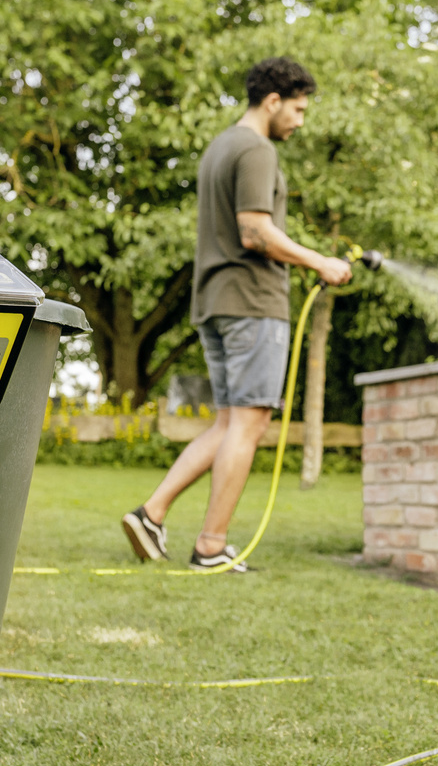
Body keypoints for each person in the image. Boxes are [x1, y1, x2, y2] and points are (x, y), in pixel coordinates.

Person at [121, 57, 352, 572]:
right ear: (273, 101)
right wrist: (321, 262)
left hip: (217, 302)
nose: (300, 120)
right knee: (249, 424)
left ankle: (152, 513)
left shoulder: (220, 146)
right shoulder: (256, 149)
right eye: (298, 109)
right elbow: (254, 230)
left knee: (229, 423)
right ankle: (210, 545)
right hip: (251, 302)